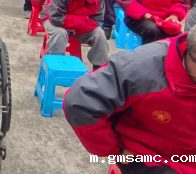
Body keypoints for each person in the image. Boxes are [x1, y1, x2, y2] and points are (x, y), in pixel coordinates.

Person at [64, 27, 196, 174]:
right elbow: (80, 101)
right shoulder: (140, 69)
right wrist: (114, 150)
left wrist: (172, 17)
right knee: (151, 30)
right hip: (149, 152)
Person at [41, 0, 108, 70]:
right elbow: (56, 18)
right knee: (60, 33)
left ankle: (99, 68)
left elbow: (97, 20)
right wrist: (83, 19)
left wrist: (75, 25)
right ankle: (55, 65)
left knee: (99, 33)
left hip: (77, 25)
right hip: (51, 19)